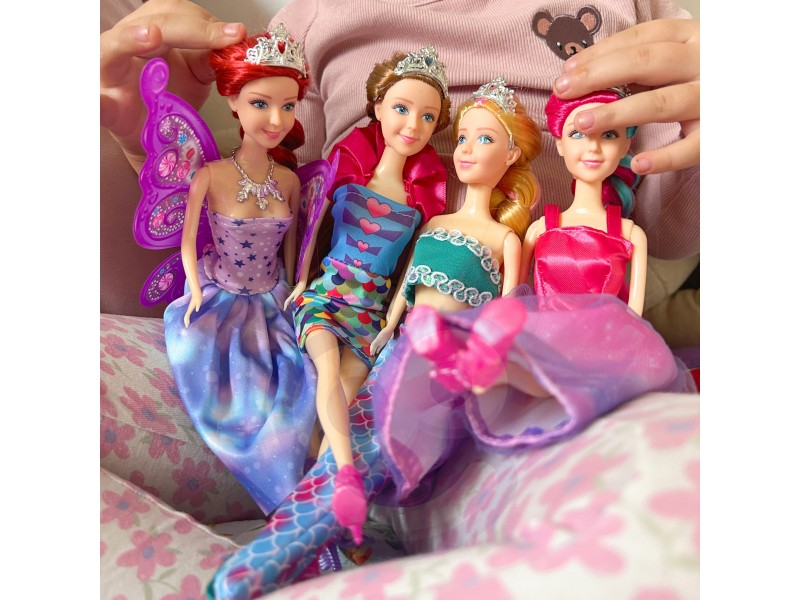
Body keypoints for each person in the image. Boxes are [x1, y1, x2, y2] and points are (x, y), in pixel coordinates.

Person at [370, 86, 694, 502]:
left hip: (601, 348)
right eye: (577, 134)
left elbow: (634, 314)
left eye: (610, 136)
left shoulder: (628, 233)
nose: (593, 148)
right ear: (559, 143)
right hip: (543, 340)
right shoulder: (540, 229)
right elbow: (514, 300)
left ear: (627, 144)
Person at [282, 46, 450, 543]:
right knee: (327, 372)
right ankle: (346, 477)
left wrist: (394, 320)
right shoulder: (346, 167)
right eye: (401, 108)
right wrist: (299, 280)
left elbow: (410, 268)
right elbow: (313, 228)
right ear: (377, 107)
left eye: (427, 117)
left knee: (347, 394)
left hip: (370, 315)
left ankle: (321, 518)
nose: (413, 125)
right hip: (323, 296)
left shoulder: (423, 196)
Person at [159, 24, 319, 514]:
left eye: (288, 106)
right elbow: (188, 241)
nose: (275, 119)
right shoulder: (210, 176)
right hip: (223, 297)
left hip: (274, 300)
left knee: (297, 389)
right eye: (260, 103)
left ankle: (309, 490)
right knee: (237, 399)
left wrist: (296, 285)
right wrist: (194, 290)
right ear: (231, 100)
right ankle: (278, 491)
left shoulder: (289, 181)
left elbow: (292, 245)